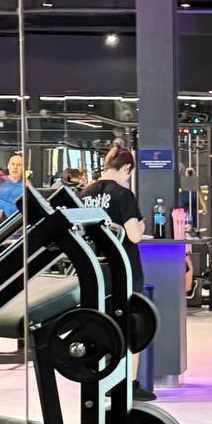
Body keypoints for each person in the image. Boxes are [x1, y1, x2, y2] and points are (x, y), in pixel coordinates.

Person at [80, 145, 154, 403]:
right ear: (126, 168)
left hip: (95, 271)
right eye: (128, 173)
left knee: (100, 324)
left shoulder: (85, 194)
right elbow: (133, 235)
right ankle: (129, 385)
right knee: (131, 324)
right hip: (124, 269)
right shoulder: (123, 194)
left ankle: (102, 380)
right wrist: (141, 225)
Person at [0, 154, 25, 219]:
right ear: (8, 166)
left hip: (20, 221)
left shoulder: (26, 184)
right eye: (13, 164)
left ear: (23, 168)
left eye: (19, 165)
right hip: (2, 221)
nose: (15, 167)